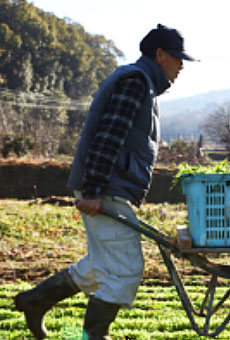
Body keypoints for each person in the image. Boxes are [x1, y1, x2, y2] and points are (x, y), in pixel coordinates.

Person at [14, 23, 197, 340]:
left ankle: (35, 300)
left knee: (102, 265)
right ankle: (94, 337)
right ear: (160, 54)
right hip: (107, 188)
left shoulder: (141, 83)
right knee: (124, 268)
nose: (181, 67)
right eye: (178, 59)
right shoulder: (136, 83)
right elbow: (107, 137)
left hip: (110, 186)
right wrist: (95, 190)